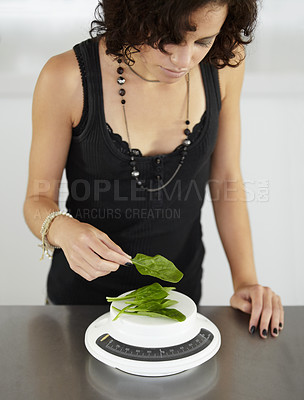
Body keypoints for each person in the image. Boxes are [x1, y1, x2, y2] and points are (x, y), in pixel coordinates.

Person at [23, 0, 284, 338]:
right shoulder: (65, 77)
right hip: (81, 307)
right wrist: (62, 230)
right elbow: (36, 200)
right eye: (168, 41)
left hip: (177, 305)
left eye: (202, 41)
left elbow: (226, 179)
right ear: (134, 17)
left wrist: (246, 281)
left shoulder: (224, 62)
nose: (184, 60)